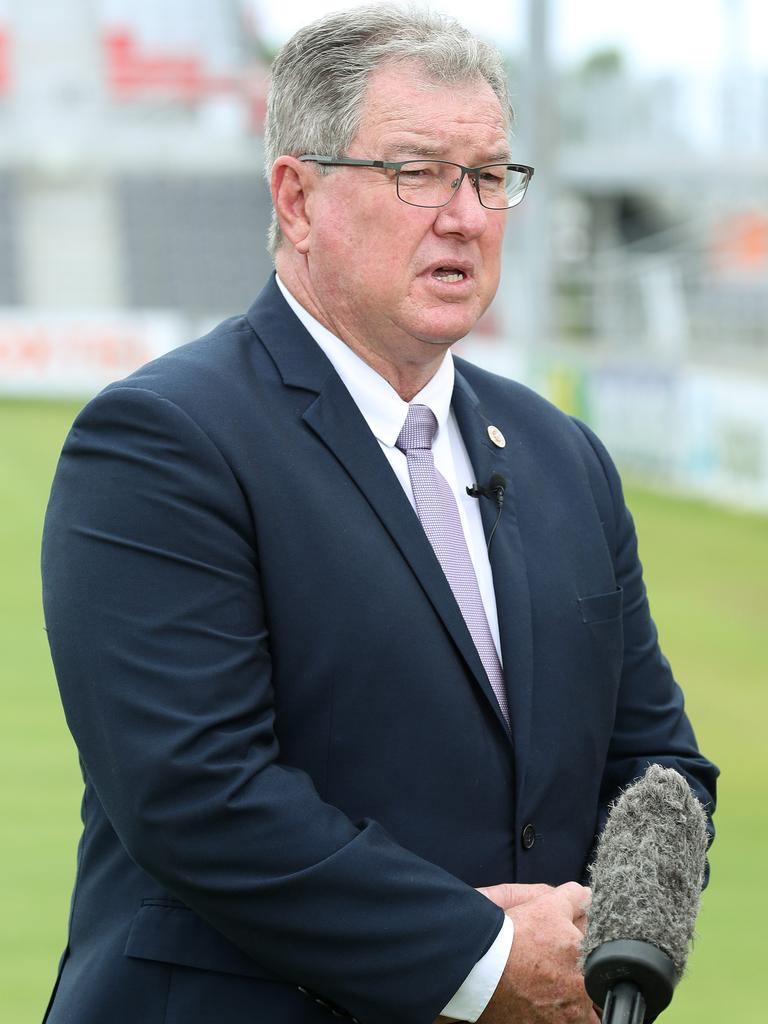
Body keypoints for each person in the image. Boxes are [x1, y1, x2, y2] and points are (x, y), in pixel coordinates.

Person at [41, 6, 718, 1024]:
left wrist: (617, 937)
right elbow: (199, 794)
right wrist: (488, 959)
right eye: (417, 173)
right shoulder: (162, 439)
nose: (466, 216)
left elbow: (661, 765)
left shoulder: (562, 454)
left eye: (489, 175)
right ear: (297, 197)